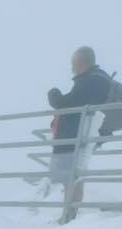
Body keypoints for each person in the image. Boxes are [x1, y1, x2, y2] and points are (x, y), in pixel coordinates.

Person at [46, 46, 113, 205]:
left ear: (82, 63)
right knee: (71, 177)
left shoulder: (90, 80)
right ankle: (69, 212)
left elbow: (66, 104)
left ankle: (70, 213)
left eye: (73, 63)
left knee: (71, 177)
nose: (72, 67)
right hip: (78, 135)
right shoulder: (97, 79)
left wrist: (53, 95)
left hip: (75, 136)